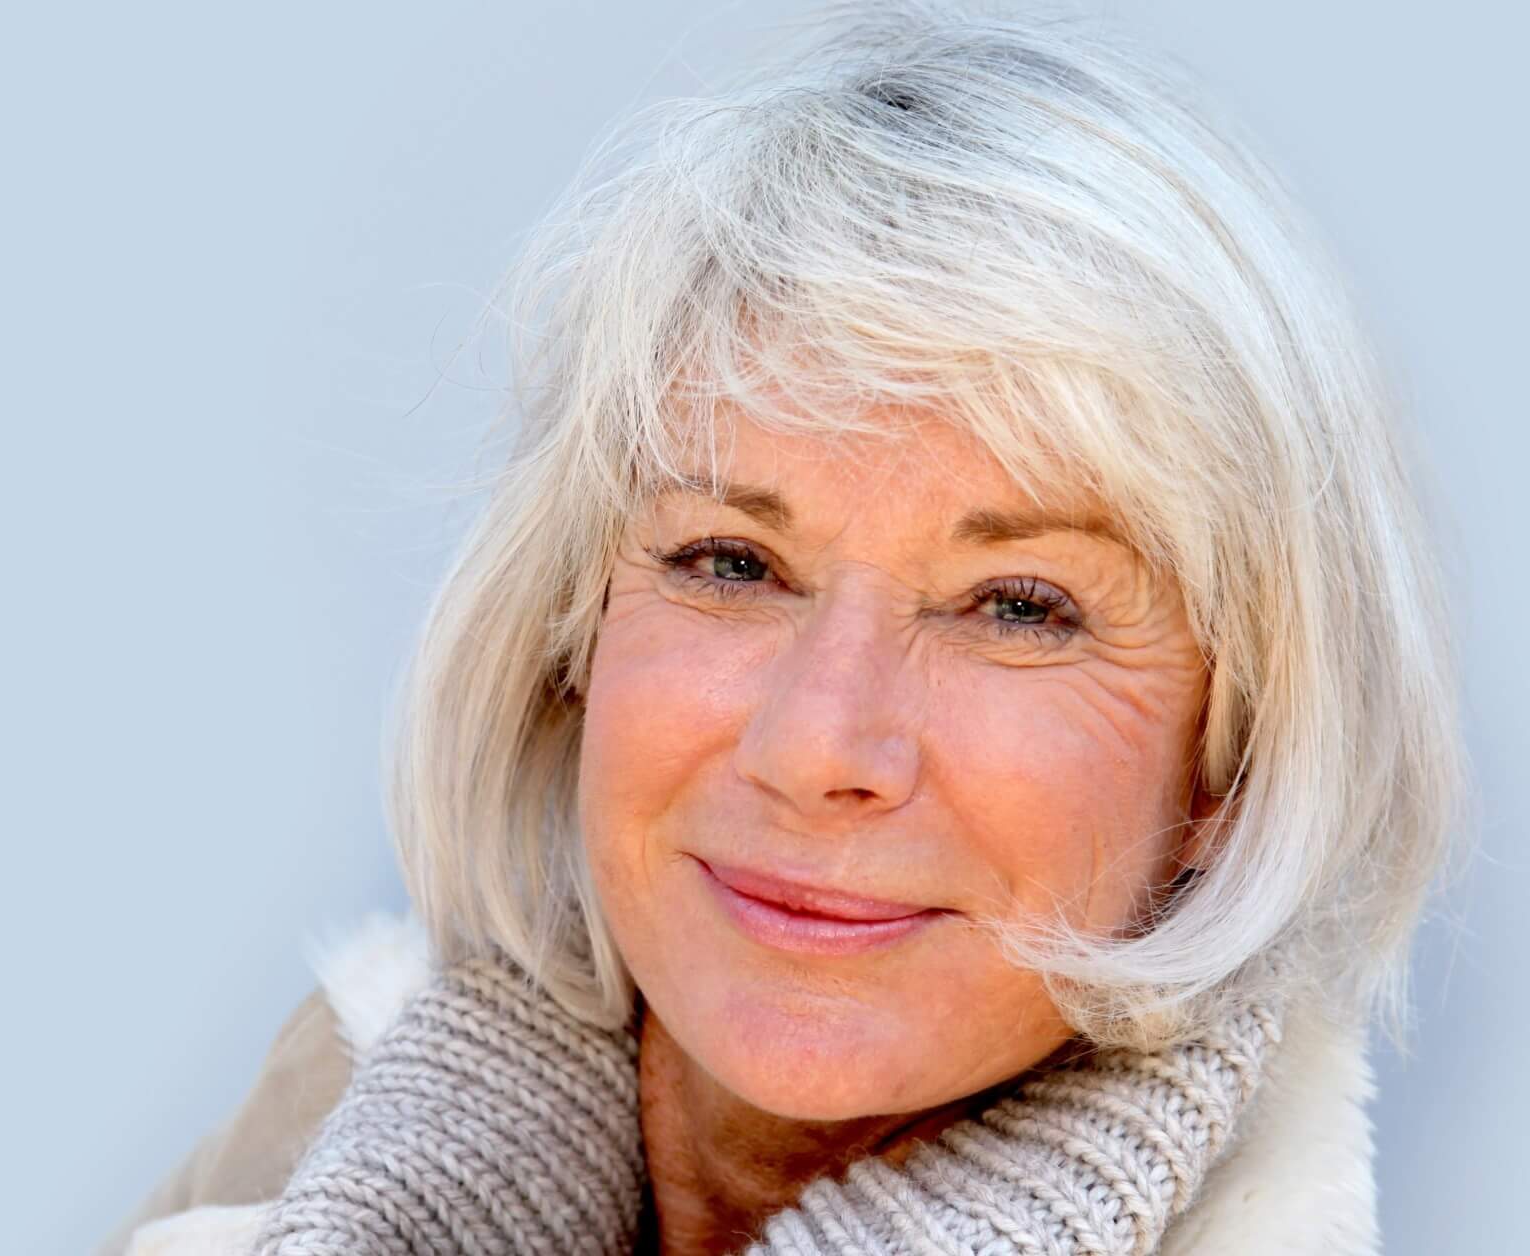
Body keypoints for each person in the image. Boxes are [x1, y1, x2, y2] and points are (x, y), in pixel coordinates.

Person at [99, 5, 1469, 1254]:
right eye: (734, 563)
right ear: (572, 636)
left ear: (1229, 768)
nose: (820, 743)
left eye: (1019, 606)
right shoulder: (309, 1147)